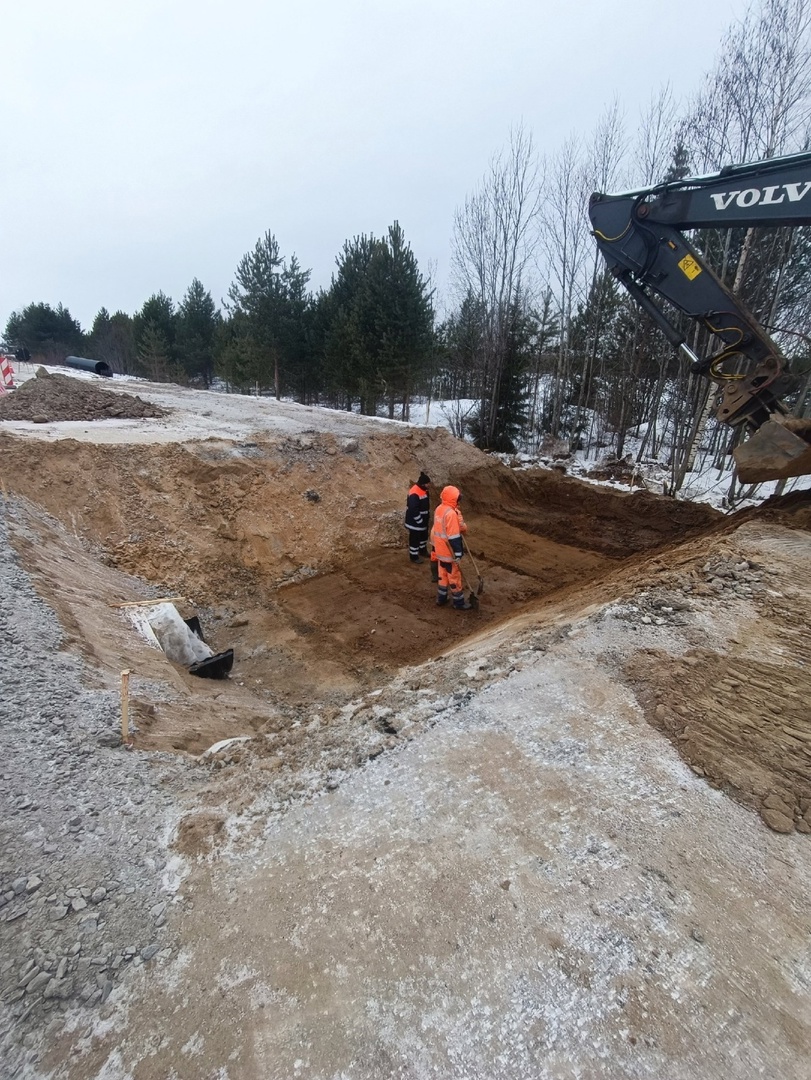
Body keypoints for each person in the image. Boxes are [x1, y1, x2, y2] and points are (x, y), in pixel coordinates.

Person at [430, 485, 472, 610]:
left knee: (442, 576)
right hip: (449, 552)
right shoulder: (451, 514)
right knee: (454, 577)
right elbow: (453, 536)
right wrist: (458, 553)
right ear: (454, 499)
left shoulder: (439, 509)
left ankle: (441, 598)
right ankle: (458, 603)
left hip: (439, 550)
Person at [405, 472, 432, 563]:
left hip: (422, 521)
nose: (429, 485)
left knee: (423, 537)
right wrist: (419, 520)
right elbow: (413, 509)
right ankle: (414, 556)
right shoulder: (414, 493)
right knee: (415, 539)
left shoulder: (424, 490)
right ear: (423, 484)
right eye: (428, 483)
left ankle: (422, 551)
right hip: (415, 522)